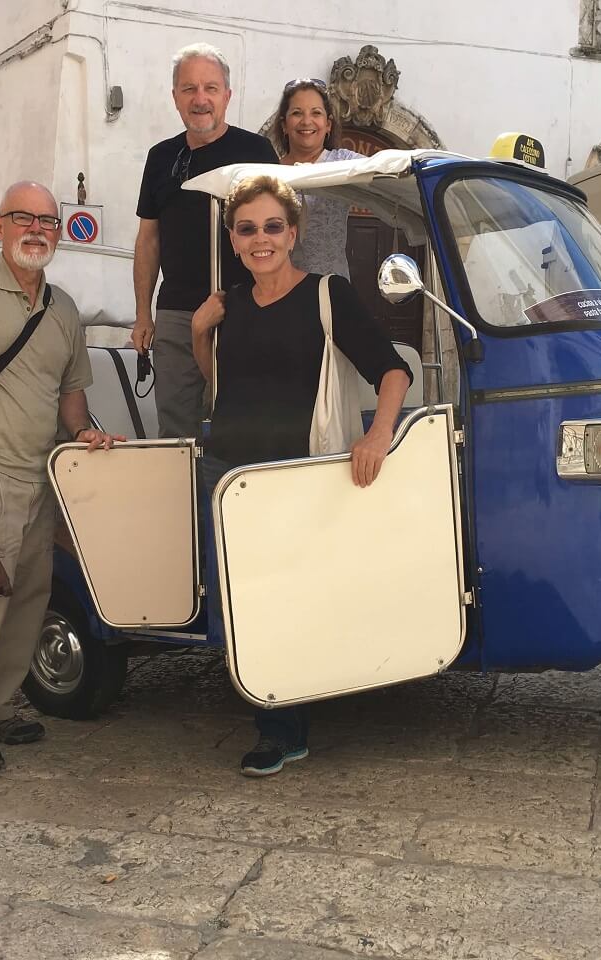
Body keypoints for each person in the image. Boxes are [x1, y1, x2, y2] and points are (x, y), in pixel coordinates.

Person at [190, 175, 412, 776]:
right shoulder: (230, 303)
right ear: (233, 240)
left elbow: (392, 370)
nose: (259, 239)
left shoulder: (327, 294)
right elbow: (219, 384)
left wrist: (378, 435)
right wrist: (198, 332)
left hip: (294, 475)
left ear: (293, 234)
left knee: (284, 599)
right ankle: (272, 708)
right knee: (239, 602)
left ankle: (280, 729)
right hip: (228, 472)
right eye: (246, 229)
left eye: (272, 227)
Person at [0, 180, 122, 777]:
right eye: (23, 218)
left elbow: (70, 395)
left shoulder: (63, 309)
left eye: (47, 221)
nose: (36, 230)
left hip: (41, 478)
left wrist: (83, 433)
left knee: (26, 605)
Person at [133, 43, 277, 439]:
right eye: (189, 89)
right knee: (176, 432)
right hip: (176, 314)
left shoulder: (256, 152)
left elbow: (278, 232)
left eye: (210, 88)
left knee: (243, 424)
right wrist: (143, 314)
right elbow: (148, 240)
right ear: (175, 97)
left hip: (244, 309)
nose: (200, 99)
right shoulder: (161, 158)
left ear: (227, 96)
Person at [272, 78, 363, 280]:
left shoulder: (343, 162)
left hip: (331, 286)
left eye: (316, 113)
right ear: (284, 125)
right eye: (297, 113)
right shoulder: (269, 171)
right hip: (280, 286)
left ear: (328, 124)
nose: (306, 121)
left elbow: (383, 168)